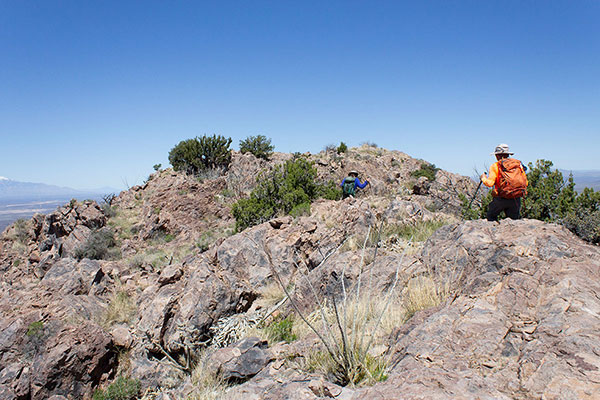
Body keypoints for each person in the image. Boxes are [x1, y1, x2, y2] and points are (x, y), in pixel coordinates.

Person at [480, 144, 528, 221]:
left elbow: (490, 183)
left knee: (491, 216)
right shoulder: (518, 164)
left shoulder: (495, 166)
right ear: (508, 154)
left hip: (501, 198)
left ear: (498, 155)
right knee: (514, 221)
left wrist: (483, 178)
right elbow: (525, 182)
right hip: (516, 198)